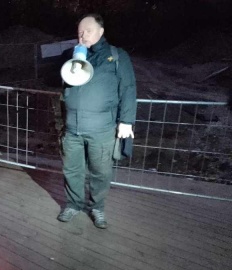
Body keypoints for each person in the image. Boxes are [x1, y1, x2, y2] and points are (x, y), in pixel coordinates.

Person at [57, 14, 137, 229]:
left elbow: (128, 90)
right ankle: (73, 204)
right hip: (72, 128)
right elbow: (53, 79)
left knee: (100, 172)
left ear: (101, 31)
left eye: (88, 31)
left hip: (102, 129)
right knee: (72, 170)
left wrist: (126, 121)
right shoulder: (70, 55)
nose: (83, 35)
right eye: (80, 32)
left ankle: (96, 208)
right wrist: (69, 60)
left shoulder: (116, 56)